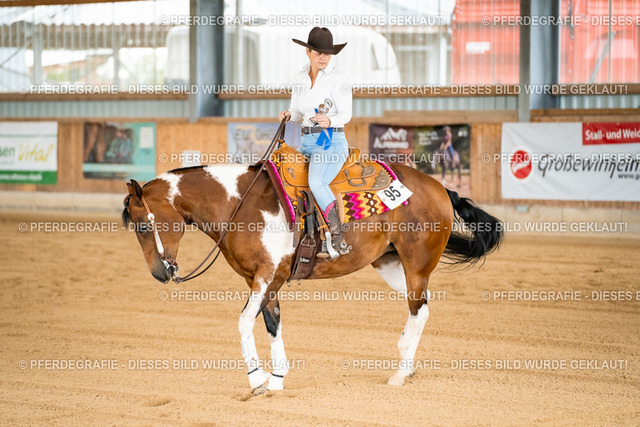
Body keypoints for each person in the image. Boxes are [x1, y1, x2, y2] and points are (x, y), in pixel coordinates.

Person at [279, 27, 352, 257]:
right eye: (318, 52)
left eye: (327, 53)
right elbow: (297, 110)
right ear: (308, 52)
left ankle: (337, 237)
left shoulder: (339, 80)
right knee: (282, 173)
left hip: (330, 141)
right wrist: (289, 114)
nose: (323, 57)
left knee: (317, 183)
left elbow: (346, 114)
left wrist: (329, 120)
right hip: (307, 141)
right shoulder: (300, 77)